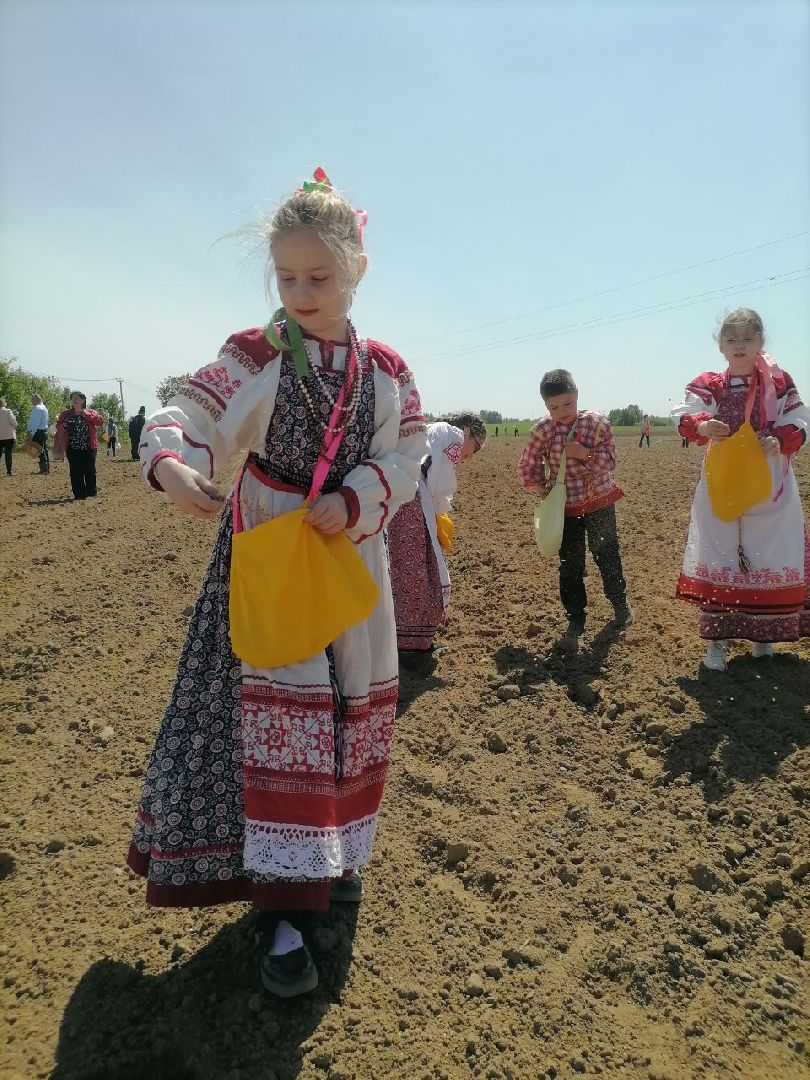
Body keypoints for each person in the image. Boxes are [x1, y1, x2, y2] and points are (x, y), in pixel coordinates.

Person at [126, 170, 427, 999]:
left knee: (351, 708)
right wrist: (173, 465)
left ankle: (337, 862)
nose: (299, 293)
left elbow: (408, 457)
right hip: (267, 560)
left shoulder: (389, 370)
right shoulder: (254, 353)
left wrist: (358, 495)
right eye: (286, 277)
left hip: (350, 562)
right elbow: (184, 412)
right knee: (280, 723)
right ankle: (285, 914)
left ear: (358, 268)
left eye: (318, 277)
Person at [671, 308, 808, 671]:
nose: (739, 345)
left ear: (761, 342)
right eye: (731, 338)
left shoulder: (779, 382)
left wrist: (781, 437)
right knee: (720, 554)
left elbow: (799, 417)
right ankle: (717, 643)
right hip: (724, 478)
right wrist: (702, 426)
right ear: (720, 345)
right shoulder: (711, 382)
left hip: (768, 480)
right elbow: (686, 409)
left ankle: (764, 637)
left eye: (748, 338)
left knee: (768, 553)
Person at [517, 368, 633, 653]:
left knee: (607, 556)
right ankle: (575, 621)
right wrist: (542, 488)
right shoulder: (542, 430)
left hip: (600, 502)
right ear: (546, 406)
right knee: (570, 566)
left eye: (567, 403)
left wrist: (585, 454)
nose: (562, 412)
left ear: (577, 395)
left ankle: (621, 607)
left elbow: (611, 460)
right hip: (565, 510)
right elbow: (527, 465)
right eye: (554, 407)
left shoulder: (596, 424)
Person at [388, 413, 486, 660]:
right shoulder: (452, 435)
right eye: (476, 446)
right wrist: (439, 512)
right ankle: (413, 644)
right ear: (466, 431)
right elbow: (439, 485)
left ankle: (398, 639)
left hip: (397, 498)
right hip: (414, 502)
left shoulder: (429, 431)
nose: (470, 456)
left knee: (399, 568)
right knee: (420, 570)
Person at [55, 392, 105, 500]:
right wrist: (64, 425)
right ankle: (79, 494)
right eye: (72, 398)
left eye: (76, 398)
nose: (74, 400)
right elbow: (58, 426)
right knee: (75, 471)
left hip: (89, 447)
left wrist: (85, 414)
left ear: (83, 400)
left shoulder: (90, 412)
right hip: (72, 448)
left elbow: (100, 421)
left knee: (90, 471)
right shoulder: (66, 414)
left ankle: (91, 493)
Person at [28, 393, 49, 474]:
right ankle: (46, 468)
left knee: (40, 450)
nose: (31, 401)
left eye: (32, 399)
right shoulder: (44, 408)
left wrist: (32, 433)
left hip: (38, 431)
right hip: (42, 431)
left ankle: (44, 469)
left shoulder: (38, 408)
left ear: (36, 399)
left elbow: (35, 423)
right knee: (44, 449)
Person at [0, 398, 17, 476]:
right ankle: (9, 471)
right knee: (8, 454)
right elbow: (14, 423)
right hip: (9, 436)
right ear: (4, 403)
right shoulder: (8, 411)